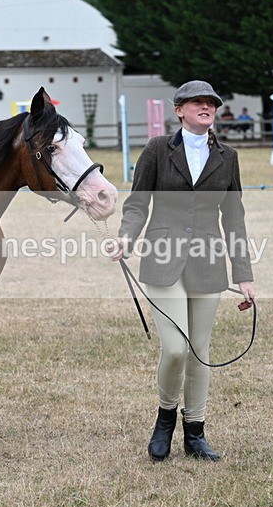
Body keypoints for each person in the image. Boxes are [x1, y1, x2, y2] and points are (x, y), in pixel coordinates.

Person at [107, 80, 255, 462]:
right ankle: (164, 418)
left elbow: (234, 216)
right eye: (198, 102)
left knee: (200, 352)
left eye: (211, 103)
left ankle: (196, 433)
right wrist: (126, 237)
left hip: (208, 262)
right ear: (180, 110)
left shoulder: (229, 156)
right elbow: (138, 203)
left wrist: (244, 273)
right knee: (175, 348)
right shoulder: (158, 149)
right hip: (162, 257)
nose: (206, 107)